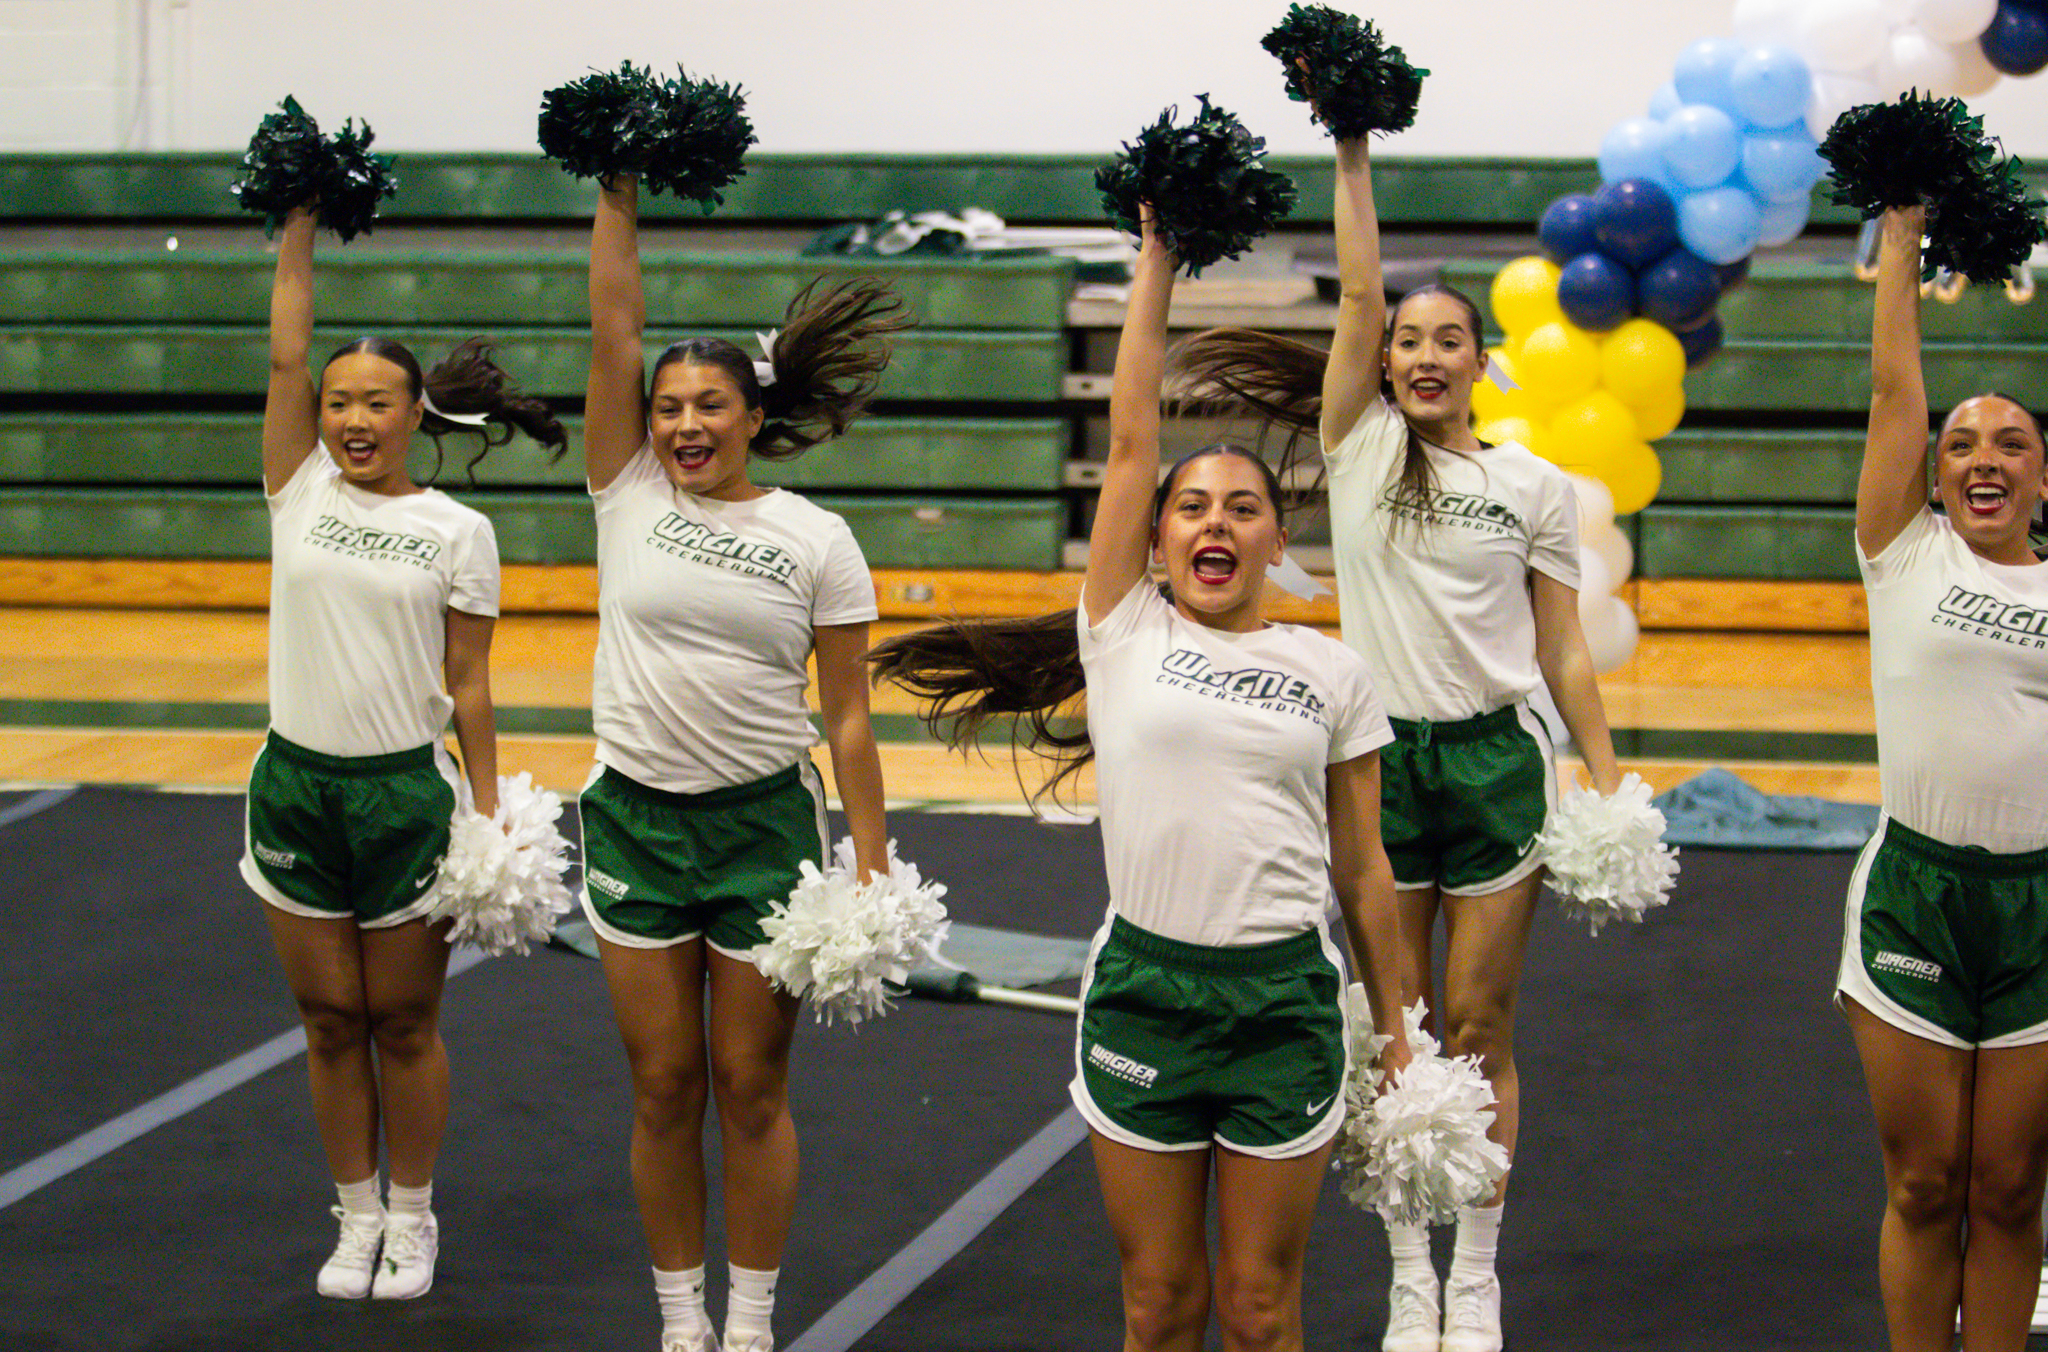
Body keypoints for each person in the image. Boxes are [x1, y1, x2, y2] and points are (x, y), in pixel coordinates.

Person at [872, 207, 1412, 1352]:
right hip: (1142, 993)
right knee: (1158, 1306)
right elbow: (1127, 442)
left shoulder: (1333, 672)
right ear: (1160, 537)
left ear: (1277, 541)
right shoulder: (1121, 632)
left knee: (1261, 1313)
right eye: (1192, 507)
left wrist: (1398, 1024)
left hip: (1282, 1004)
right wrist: (1154, 257)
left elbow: (1364, 869)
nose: (1214, 523)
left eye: (1242, 508)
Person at [1176, 131, 1623, 1352]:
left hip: (1491, 768)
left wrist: (1605, 770)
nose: (1423, 355)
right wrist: (1352, 150)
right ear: (1380, 359)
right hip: (1372, 765)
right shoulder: (1357, 446)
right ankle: (1400, 1271)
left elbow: (1563, 647)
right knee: (1392, 1025)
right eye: (1405, 340)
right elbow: (1359, 280)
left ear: (1480, 361)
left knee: (1479, 1026)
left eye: (1447, 340)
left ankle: (1472, 1270)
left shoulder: (1530, 486)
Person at [581, 174, 899, 1352]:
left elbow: (851, 718)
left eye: (708, 405)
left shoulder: (817, 539)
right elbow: (612, 320)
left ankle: (752, 1315)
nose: (684, 426)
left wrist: (869, 865)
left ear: (750, 416)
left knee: (749, 1087)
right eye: (667, 406)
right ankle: (680, 1317)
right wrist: (617, 188)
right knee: (663, 1085)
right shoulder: (624, 495)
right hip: (632, 825)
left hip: (763, 830)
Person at [245, 204, 564, 1300]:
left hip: (400, 796)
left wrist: (484, 813)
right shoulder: (298, 492)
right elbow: (287, 347)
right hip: (293, 787)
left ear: (415, 409)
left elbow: (469, 681)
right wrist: (296, 220)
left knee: (402, 1017)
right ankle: (355, 1214)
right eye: (337, 402)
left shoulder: (457, 531)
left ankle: (415, 1217)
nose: (351, 419)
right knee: (330, 1019)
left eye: (375, 401)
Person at [1836, 203, 2048, 1352]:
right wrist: (1903, 226)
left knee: (2009, 1187)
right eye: (1960, 443)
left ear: (2042, 478)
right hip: (1913, 894)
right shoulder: (1898, 552)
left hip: (2040, 906)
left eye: (2009, 444)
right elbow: (1890, 391)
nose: (1981, 458)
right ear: (1929, 474)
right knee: (1924, 1182)